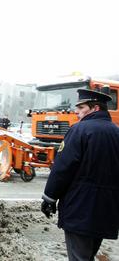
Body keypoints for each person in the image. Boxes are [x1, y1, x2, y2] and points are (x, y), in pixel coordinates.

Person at [41, 89, 119, 261]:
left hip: (80, 208)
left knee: (79, 258)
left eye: (81, 107)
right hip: (107, 210)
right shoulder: (116, 132)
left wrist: (49, 198)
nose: (76, 111)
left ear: (95, 108)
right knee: (88, 254)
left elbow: (63, 168)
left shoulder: (79, 130)